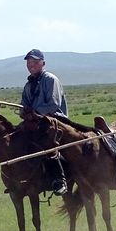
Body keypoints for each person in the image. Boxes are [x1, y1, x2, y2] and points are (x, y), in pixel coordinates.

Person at [20, 48, 69, 195]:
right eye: (29, 62)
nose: (31, 65)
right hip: (36, 122)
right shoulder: (28, 85)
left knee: (47, 143)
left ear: (43, 63)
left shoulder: (50, 79)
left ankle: (59, 180)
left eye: (35, 62)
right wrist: (24, 113)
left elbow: (53, 105)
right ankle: (21, 178)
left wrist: (33, 111)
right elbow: (23, 105)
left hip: (54, 121)